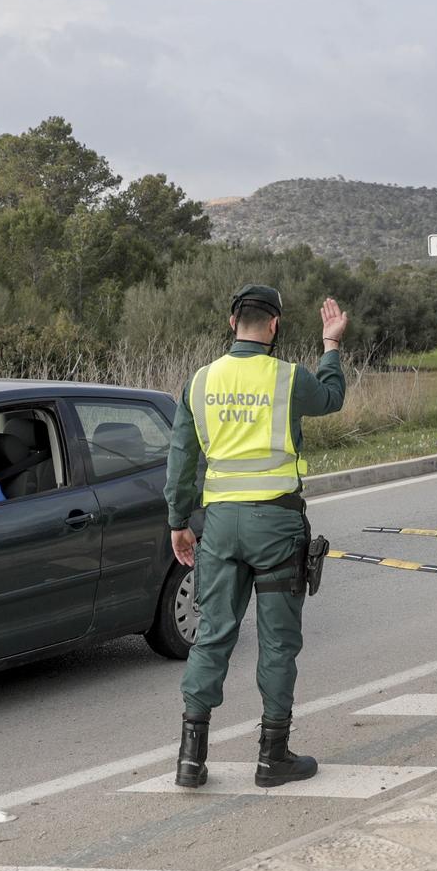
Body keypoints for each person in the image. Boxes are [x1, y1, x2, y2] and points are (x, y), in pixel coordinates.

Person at [165, 285, 348, 788]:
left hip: (220, 527)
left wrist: (179, 522)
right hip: (276, 526)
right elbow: (331, 398)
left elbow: (181, 459)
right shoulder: (288, 378)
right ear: (274, 327)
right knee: (277, 644)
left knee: (213, 635)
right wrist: (331, 346)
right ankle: (273, 757)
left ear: (231, 323)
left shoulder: (200, 381)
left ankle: (190, 759)